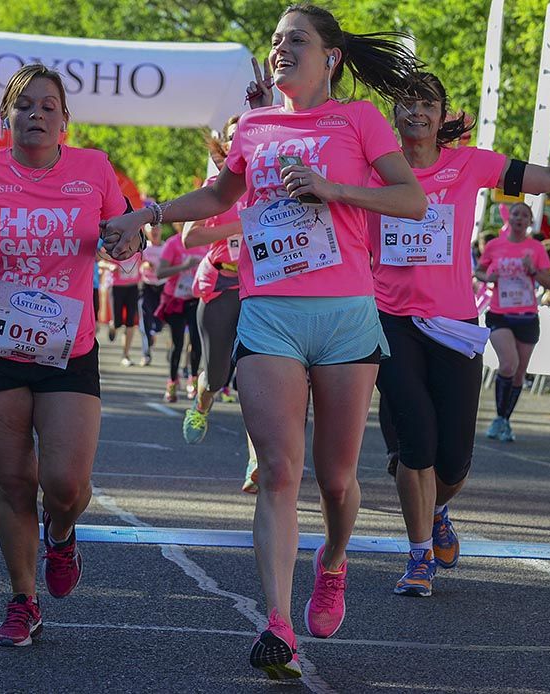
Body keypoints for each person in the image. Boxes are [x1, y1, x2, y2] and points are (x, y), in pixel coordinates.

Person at [101, 4, 426, 679]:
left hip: (344, 316)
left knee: (337, 480)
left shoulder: (358, 120)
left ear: (331, 57)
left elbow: (411, 199)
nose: (281, 49)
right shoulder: (253, 124)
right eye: (276, 40)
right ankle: (277, 623)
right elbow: (220, 194)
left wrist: (334, 188)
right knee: (278, 469)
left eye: (296, 40)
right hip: (270, 311)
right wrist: (147, 212)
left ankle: (332, 560)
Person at [0, 63, 143, 647]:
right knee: (14, 483)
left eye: (49, 106)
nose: (37, 114)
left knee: (66, 484)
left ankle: (62, 535)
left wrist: (126, 238)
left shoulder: (93, 168)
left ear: (65, 121)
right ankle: (23, 598)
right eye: (25, 106)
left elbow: (123, 233)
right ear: (8, 117)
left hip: (68, 345)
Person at [372, 72, 550, 597]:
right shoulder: (371, 166)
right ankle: (417, 558)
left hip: (454, 324)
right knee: (416, 443)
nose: (417, 112)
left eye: (427, 103)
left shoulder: (470, 163)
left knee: (452, 461)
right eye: (406, 103)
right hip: (390, 320)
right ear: (394, 114)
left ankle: (438, 510)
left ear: (441, 113)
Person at [182, 117, 245, 445]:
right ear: (223, 146)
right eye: (231, 137)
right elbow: (189, 238)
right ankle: (202, 403)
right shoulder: (214, 184)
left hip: (261, 287)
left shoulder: (268, 180)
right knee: (219, 373)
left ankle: (257, 460)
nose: (238, 142)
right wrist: (237, 228)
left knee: (259, 374)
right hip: (221, 283)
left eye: (244, 135)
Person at [475, 201, 550, 443]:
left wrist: (533, 270)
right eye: (516, 214)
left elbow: (549, 282)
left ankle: (505, 419)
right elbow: (478, 271)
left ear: (530, 222)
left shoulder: (536, 248)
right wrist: (489, 276)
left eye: (525, 215)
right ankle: (499, 419)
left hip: (527, 316)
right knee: (508, 364)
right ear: (508, 218)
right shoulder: (494, 245)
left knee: (519, 372)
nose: (519, 218)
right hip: (500, 314)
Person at [155, 228, 205, 402]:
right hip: (175, 299)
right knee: (178, 343)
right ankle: (172, 383)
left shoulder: (205, 240)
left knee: (196, 342)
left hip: (196, 299)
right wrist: (184, 266)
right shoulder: (173, 243)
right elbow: (159, 272)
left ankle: (193, 380)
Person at [138, 221, 167, 366]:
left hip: (162, 287)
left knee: (159, 323)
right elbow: (135, 264)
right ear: (147, 232)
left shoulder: (167, 246)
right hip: (146, 285)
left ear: (160, 230)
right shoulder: (143, 247)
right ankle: (146, 354)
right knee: (144, 320)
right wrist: (144, 265)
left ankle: (154, 333)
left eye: (157, 228)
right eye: (151, 229)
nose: (154, 231)